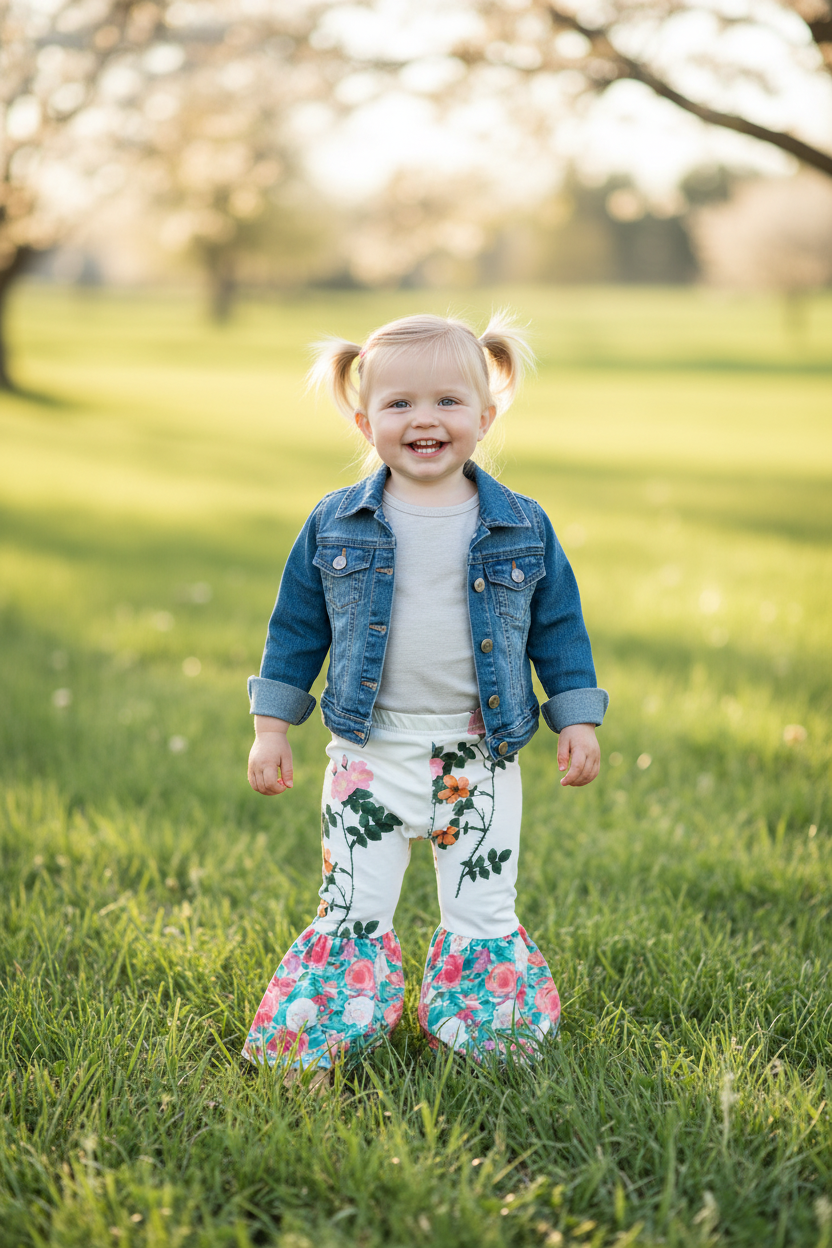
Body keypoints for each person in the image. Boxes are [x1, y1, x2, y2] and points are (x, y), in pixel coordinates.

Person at [242, 311, 608, 1076]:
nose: (424, 421)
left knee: (481, 905)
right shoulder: (334, 523)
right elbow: (296, 630)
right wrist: (271, 727)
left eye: (447, 401)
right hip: (367, 756)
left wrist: (574, 717)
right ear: (363, 418)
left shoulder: (522, 526)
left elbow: (559, 628)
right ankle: (320, 1038)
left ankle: (489, 1037)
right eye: (399, 404)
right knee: (351, 906)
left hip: (480, 755)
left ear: (485, 414)